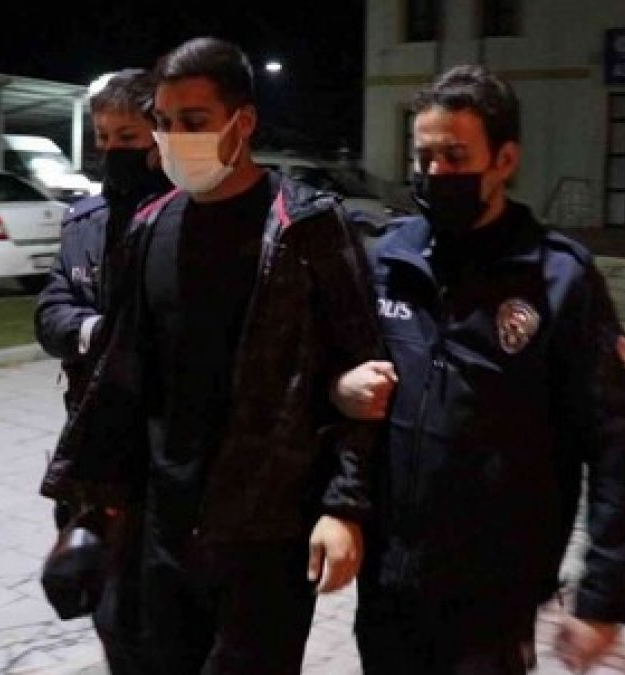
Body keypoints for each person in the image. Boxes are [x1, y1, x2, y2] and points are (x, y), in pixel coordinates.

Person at [39, 37, 383, 674]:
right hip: (162, 527)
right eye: (165, 122)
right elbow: (123, 378)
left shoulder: (308, 227)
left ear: (242, 121)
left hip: (267, 535)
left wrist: (344, 506)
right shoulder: (151, 226)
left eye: (194, 121)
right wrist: (90, 510)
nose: (174, 139)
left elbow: (363, 372)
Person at [336, 65, 625, 674]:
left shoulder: (559, 278)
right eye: (424, 157)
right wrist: (339, 391)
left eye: (455, 156)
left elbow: (611, 440)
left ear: (504, 160)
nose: (435, 173)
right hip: (391, 579)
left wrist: (603, 592)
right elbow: (348, 386)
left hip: (494, 591)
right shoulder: (389, 259)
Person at [34, 68, 169, 674]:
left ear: (160, 137)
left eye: (128, 138)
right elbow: (51, 311)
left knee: (169, 618)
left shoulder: (192, 217)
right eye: (104, 138)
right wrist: (93, 332)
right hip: (94, 449)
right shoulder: (85, 221)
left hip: (169, 455)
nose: (114, 151)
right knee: (112, 615)